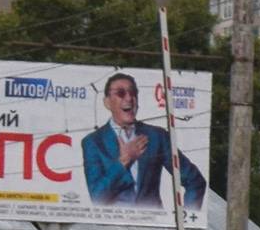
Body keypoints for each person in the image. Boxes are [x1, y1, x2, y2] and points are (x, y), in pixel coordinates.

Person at [82, 72, 207, 209]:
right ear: (107, 102)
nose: (129, 98)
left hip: (152, 227)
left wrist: (186, 218)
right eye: (121, 93)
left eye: (133, 93)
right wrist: (124, 161)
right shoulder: (93, 142)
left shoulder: (157, 136)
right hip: (113, 227)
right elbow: (97, 197)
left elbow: (195, 180)